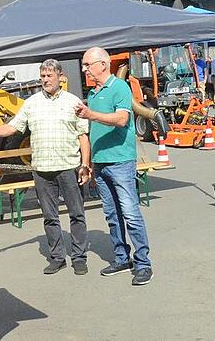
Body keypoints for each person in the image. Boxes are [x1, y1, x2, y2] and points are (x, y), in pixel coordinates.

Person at [0, 59, 92, 275]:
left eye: (49, 76)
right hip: (42, 170)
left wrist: (84, 164)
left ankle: (79, 257)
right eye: (43, 76)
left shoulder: (73, 102)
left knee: (76, 214)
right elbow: (13, 128)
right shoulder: (31, 103)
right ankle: (57, 257)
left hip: (68, 167)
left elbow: (82, 137)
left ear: (60, 77)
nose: (46, 80)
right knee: (50, 216)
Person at [73, 47, 153, 286]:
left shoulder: (119, 87)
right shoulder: (94, 93)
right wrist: (86, 164)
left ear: (103, 65)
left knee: (130, 213)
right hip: (101, 163)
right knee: (112, 215)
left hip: (120, 161)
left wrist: (91, 114)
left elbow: (122, 119)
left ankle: (143, 263)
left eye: (88, 64)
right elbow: (90, 130)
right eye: (84, 65)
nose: (84, 69)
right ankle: (121, 258)